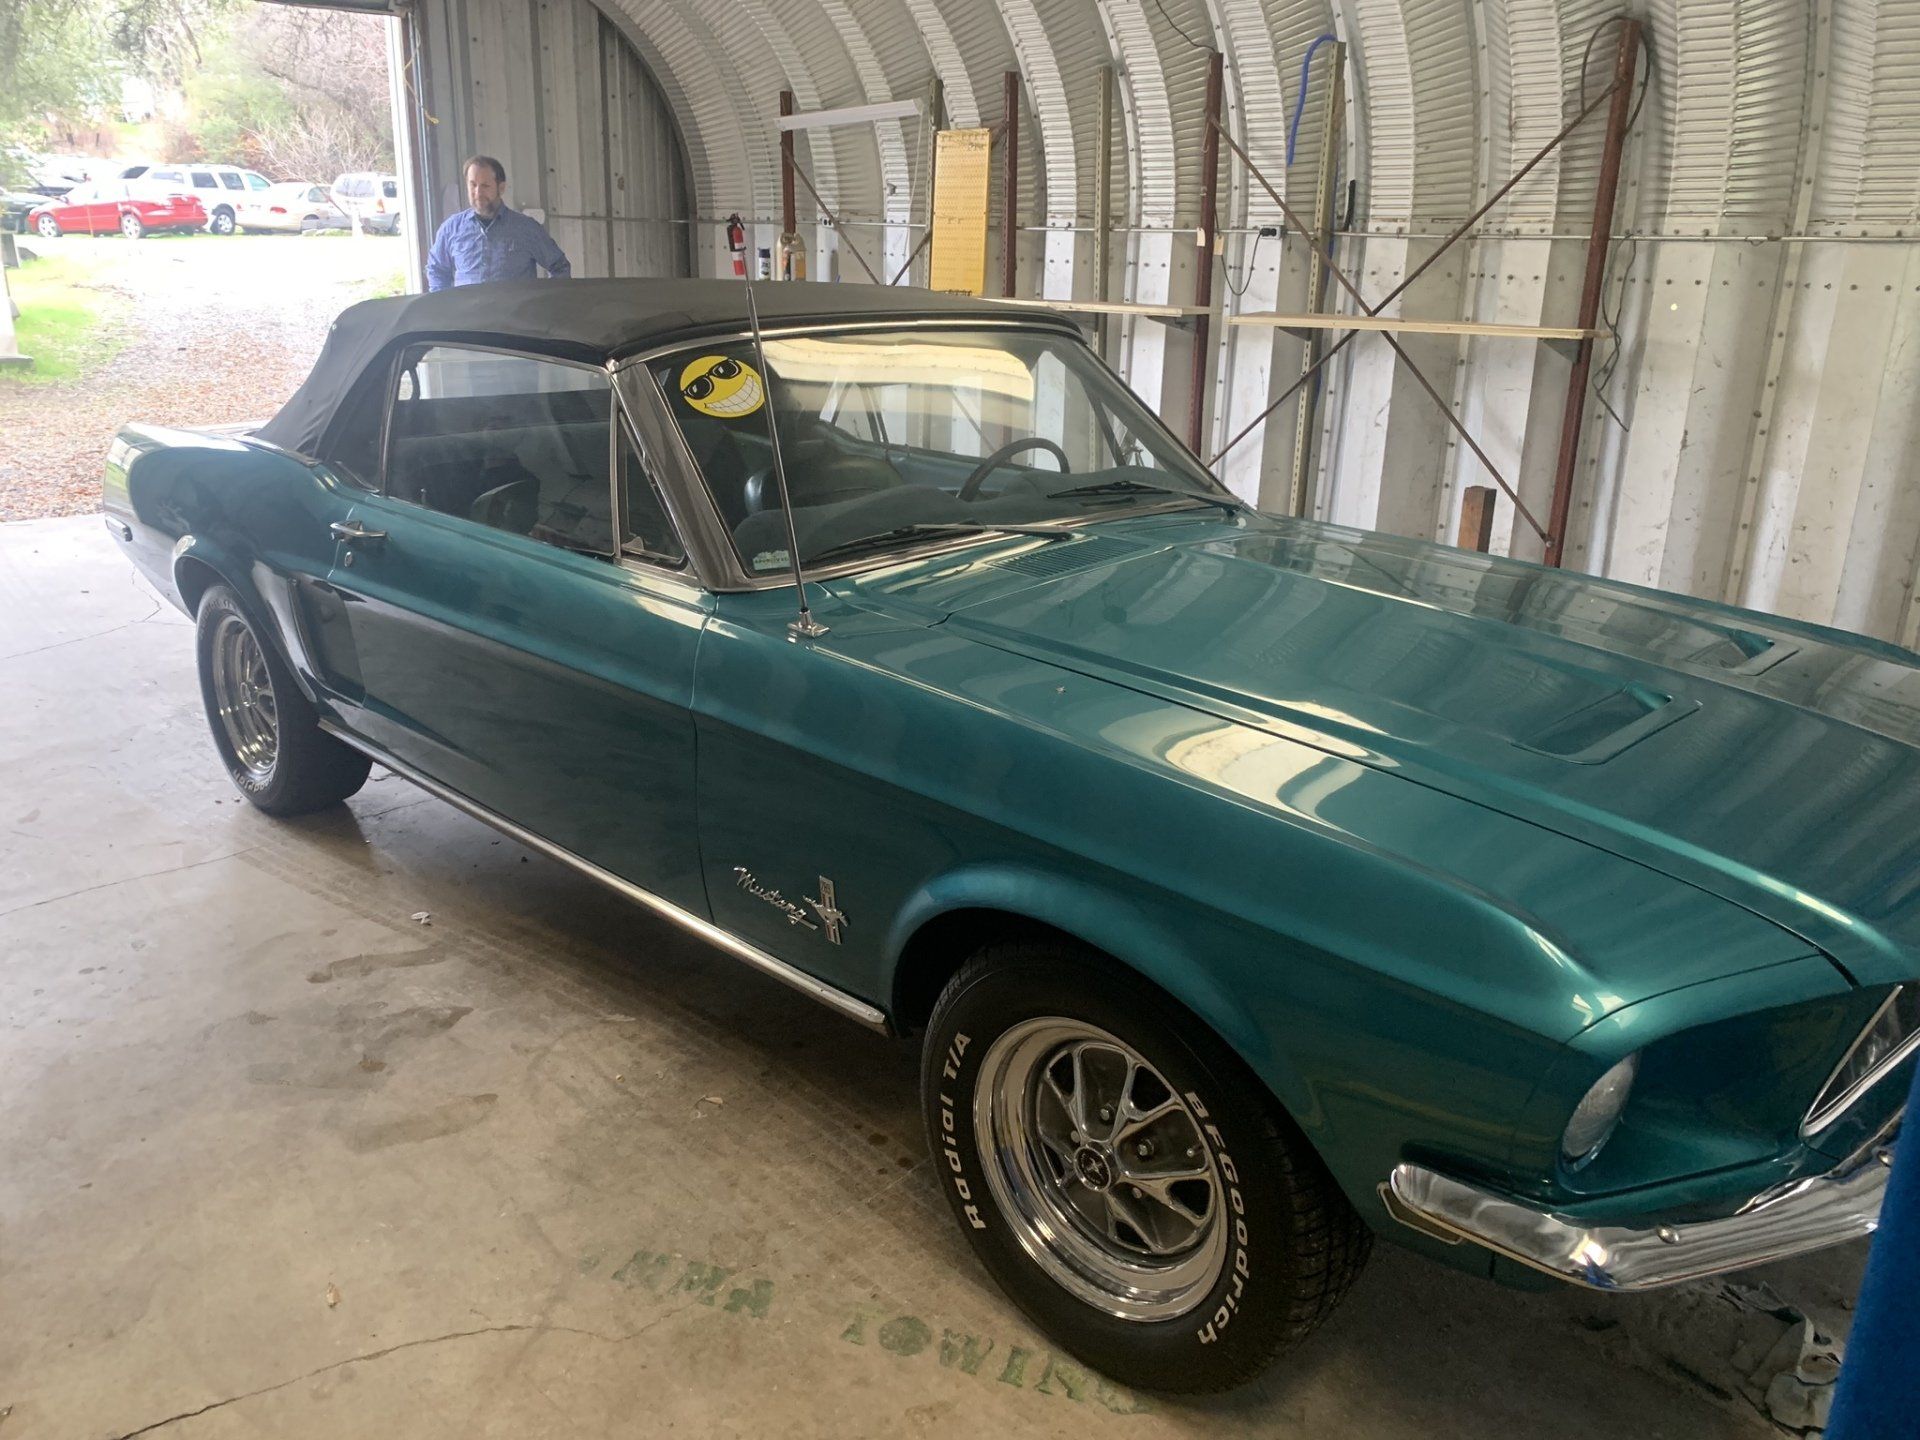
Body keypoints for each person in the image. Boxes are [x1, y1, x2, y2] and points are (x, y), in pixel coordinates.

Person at [425, 155, 571, 292]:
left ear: (501, 188)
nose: (478, 192)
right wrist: (445, 309)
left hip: (514, 318)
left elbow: (559, 267)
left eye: (485, 186)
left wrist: (545, 306)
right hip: (469, 318)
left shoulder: (526, 229)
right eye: (473, 185)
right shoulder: (451, 229)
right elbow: (436, 269)